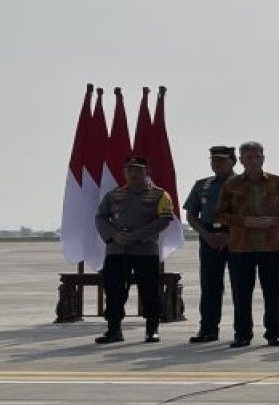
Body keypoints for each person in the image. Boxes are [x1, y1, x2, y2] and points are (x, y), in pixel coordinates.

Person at [215, 141, 279, 348]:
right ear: (241, 160)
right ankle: (242, 334)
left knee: (273, 292)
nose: (253, 161)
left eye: (257, 157)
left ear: (263, 158)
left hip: (273, 246)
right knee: (241, 293)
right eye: (249, 157)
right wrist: (244, 222)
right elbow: (219, 215)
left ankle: (274, 333)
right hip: (241, 247)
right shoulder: (231, 185)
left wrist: (274, 220)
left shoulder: (278, 182)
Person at [93, 156, 174, 344]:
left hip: (145, 251)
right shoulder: (113, 195)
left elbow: (164, 220)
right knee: (114, 291)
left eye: (138, 170)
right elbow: (100, 217)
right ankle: (114, 329)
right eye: (129, 169)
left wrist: (137, 235)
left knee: (149, 291)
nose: (133, 173)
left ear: (147, 172)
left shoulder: (160, 195)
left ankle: (152, 329)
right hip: (116, 251)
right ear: (124, 172)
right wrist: (114, 235)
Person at [182, 145, 237, 343]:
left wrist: (229, 235)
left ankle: (242, 331)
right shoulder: (202, 185)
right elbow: (191, 214)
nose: (217, 164)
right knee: (210, 285)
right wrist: (205, 235)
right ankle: (208, 328)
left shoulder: (243, 183)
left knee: (240, 286)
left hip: (236, 238)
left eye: (222, 160)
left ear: (233, 161)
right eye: (214, 160)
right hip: (209, 238)